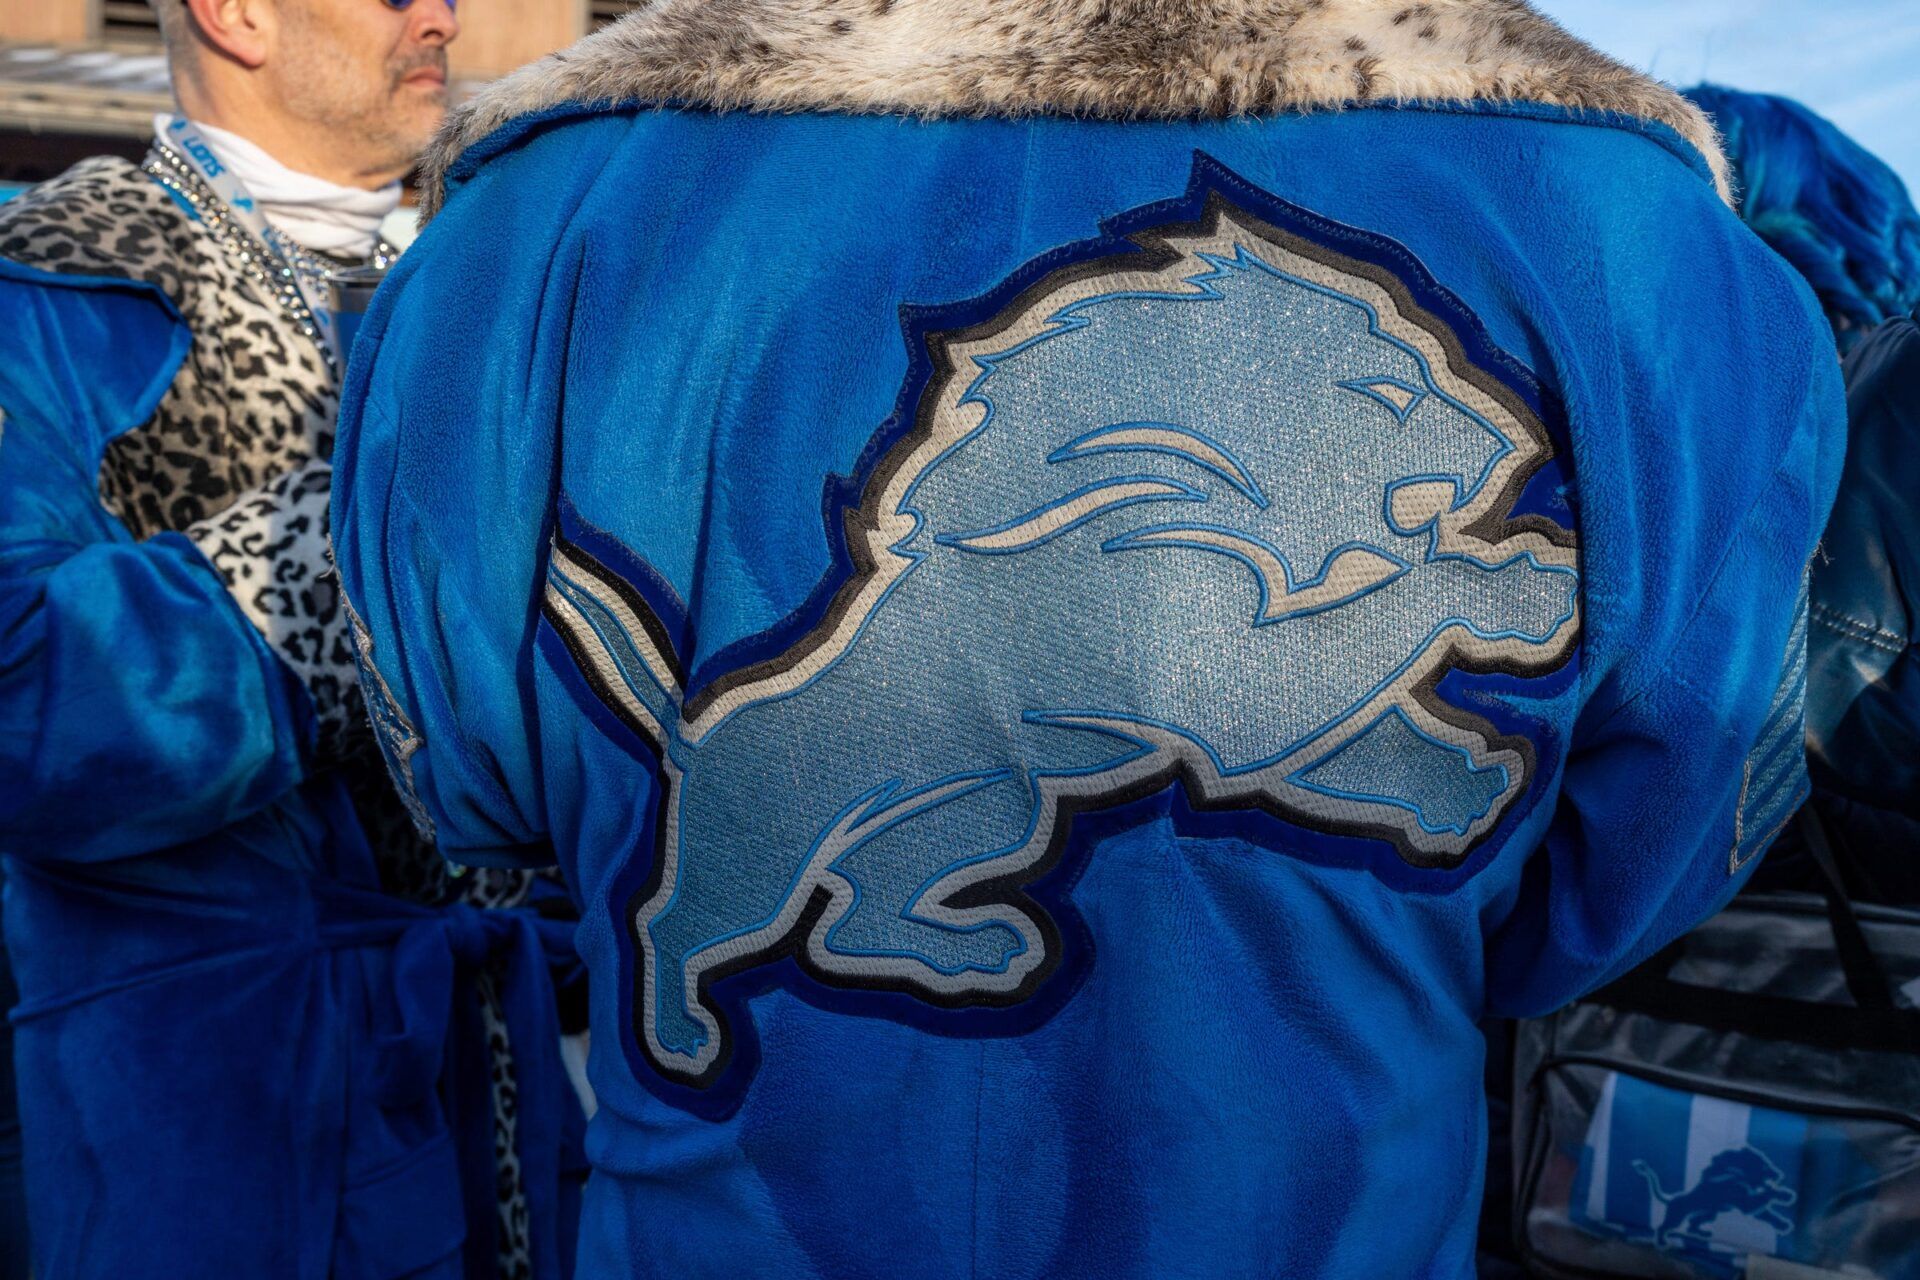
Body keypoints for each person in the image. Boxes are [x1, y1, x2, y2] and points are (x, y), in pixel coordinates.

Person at [333, 0, 1844, 1274]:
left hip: (712, 1231)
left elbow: (478, 788)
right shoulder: (1631, 241)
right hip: (1330, 1221)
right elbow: (1627, 863)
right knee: (758, 838)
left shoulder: (528, 231)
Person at [0, 0, 582, 1276]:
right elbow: (26, 708)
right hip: (211, 1128)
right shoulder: (55, 289)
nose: (442, 17)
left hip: (494, 1080)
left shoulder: (490, 286)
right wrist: (375, 536)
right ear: (237, 13)